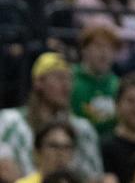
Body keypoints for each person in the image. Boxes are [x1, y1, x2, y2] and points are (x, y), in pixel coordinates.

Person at [0, 53, 102, 181]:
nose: (66, 86)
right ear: (39, 82)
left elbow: (94, 177)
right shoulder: (10, 121)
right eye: (59, 78)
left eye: (69, 79)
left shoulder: (83, 129)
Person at [71, 25, 121, 137]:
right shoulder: (70, 79)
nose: (104, 53)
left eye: (110, 48)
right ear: (84, 49)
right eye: (98, 46)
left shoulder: (118, 85)